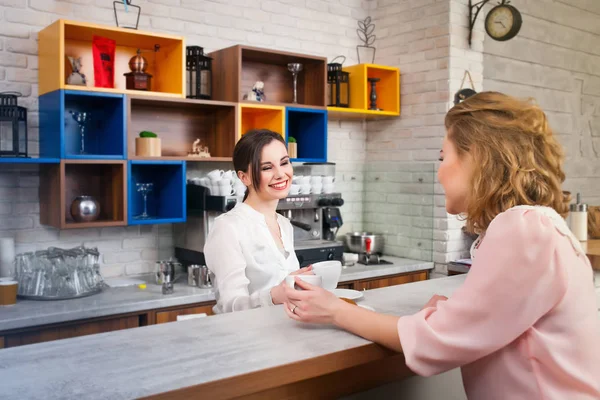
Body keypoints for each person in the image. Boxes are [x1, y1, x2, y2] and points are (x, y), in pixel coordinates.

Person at [283, 92, 600, 399]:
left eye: (442, 156)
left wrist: (335, 310)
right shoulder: (536, 226)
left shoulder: (524, 228)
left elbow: (434, 342)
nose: (438, 171)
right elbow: (488, 322)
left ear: (478, 158)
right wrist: (445, 314)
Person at [204, 129, 312, 314]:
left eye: (284, 163)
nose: (280, 174)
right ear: (243, 177)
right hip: (248, 339)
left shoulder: (284, 224)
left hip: (286, 333)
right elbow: (229, 306)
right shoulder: (228, 227)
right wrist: (274, 296)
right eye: (267, 167)